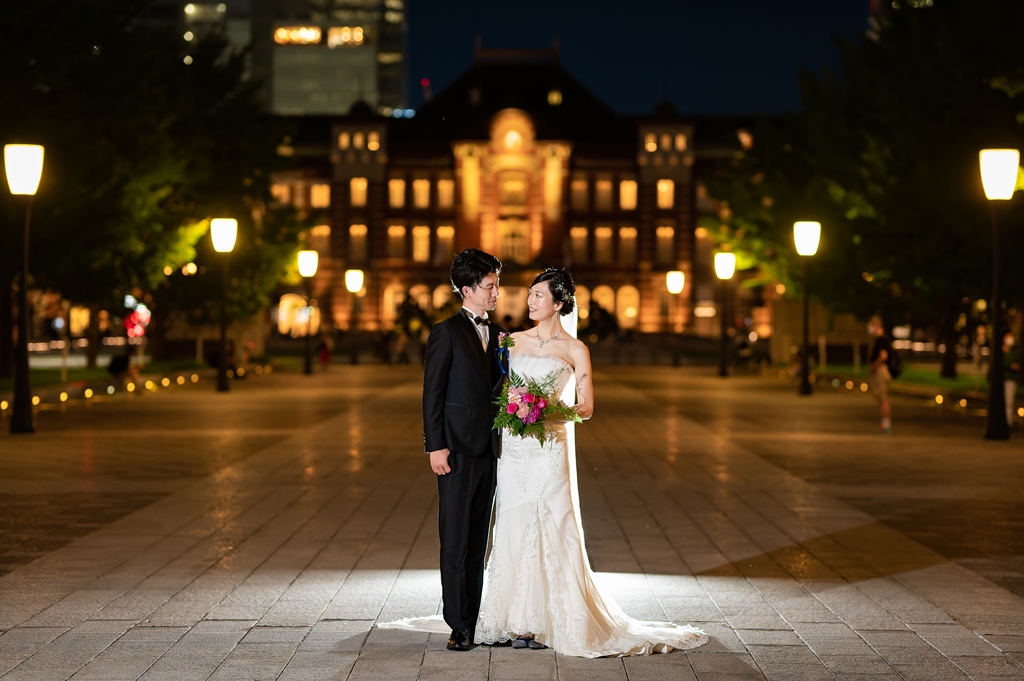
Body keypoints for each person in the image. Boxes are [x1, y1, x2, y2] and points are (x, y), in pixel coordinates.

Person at [473, 268, 707, 657]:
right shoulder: (510, 342)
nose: (530, 302)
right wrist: (515, 408)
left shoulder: (576, 350)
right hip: (515, 447)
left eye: (538, 296)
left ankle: (555, 618)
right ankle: (513, 617)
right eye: (529, 294)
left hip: (550, 445)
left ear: (559, 304)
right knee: (514, 519)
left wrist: (544, 409)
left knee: (553, 518)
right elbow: (499, 391)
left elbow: (586, 407)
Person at [421, 248, 506, 652]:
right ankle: (458, 624)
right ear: (467, 290)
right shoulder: (446, 332)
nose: (496, 294)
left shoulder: (499, 332)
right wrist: (435, 446)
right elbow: (432, 395)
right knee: (454, 540)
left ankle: (474, 618)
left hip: (489, 450)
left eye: (496, 286)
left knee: (477, 539)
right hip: (454, 450)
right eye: (489, 287)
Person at [868, 316, 892, 434]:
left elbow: (883, 356)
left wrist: (874, 366)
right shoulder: (880, 339)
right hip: (879, 371)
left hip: (880, 372)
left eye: (871, 325)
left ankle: (886, 425)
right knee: (880, 398)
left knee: (882, 398)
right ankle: (884, 424)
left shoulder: (881, 339)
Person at [1003, 330, 1020, 427]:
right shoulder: (1000, 352)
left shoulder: (1015, 353)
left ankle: (1008, 421)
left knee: (1009, 401)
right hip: (1002, 379)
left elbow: (1017, 365)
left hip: (1011, 380)